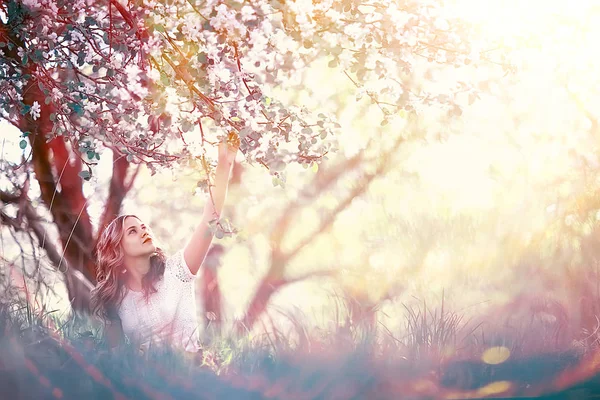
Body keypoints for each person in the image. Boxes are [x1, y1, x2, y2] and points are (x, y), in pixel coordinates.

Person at [90, 136, 239, 355]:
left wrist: (224, 166)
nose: (144, 231)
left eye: (143, 227)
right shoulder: (116, 299)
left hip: (192, 376)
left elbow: (210, 220)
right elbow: (116, 358)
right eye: (133, 231)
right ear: (117, 249)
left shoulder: (178, 271)